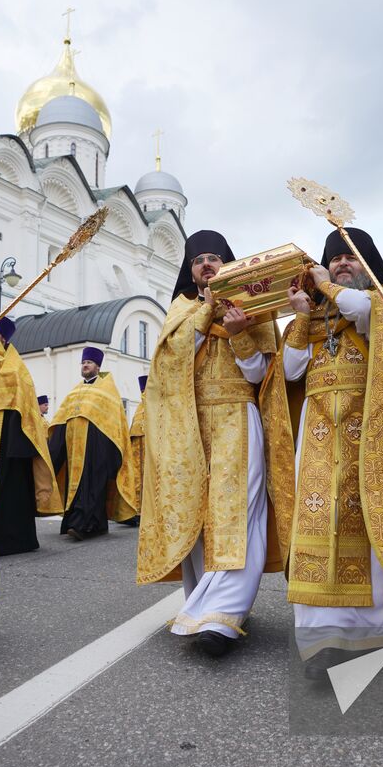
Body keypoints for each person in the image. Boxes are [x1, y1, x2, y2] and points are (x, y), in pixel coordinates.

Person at [136, 230, 294, 657]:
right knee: (196, 512)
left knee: (237, 510)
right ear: (190, 270)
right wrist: (208, 312)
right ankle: (204, 603)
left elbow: (263, 374)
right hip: (187, 423)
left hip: (237, 418)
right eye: (199, 259)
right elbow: (170, 364)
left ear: (229, 264)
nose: (207, 265)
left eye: (216, 258)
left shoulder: (254, 307)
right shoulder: (181, 309)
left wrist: (241, 333)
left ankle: (223, 615)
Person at [282, 228, 383, 676]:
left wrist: (324, 282)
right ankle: (324, 636)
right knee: (320, 524)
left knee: (372, 524)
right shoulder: (317, 310)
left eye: (350, 258)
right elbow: (291, 370)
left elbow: (361, 309)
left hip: (372, 431)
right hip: (320, 431)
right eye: (335, 259)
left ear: (368, 263)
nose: (343, 264)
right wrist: (302, 316)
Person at [0, 318, 62, 556]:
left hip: (7, 437)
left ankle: (9, 540)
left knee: (8, 490)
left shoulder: (16, 367)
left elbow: (25, 405)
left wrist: (19, 443)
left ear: (4, 338)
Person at [47, 347, 137, 540]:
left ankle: (82, 526)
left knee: (92, 486)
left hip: (96, 448)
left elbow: (113, 420)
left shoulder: (107, 389)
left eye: (89, 363)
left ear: (97, 366)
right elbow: (63, 417)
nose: (85, 365)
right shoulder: (76, 390)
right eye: (83, 363)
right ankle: (91, 525)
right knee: (78, 485)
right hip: (74, 449)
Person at [117, 376, 148, 529]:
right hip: (137, 451)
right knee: (135, 480)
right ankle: (134, 511)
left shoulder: (156, 405)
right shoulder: (139, 408)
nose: (144, 393)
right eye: (142, 390)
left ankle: (147, 511)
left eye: (145, 390)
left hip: (150, 450)